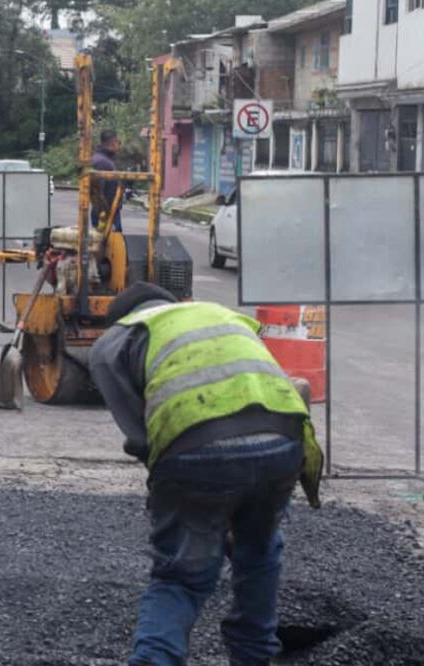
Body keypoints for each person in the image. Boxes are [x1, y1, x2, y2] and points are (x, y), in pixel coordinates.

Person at [87, 282, 324, 666]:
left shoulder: (114, 340)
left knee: (179, 578)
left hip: (196, 446)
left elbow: (143, 439)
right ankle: (254, 657)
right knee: (259, 552)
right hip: (284, 439)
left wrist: (199, 506)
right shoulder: (220, 314)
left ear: (123, 318)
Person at [91, 129, 123, 232]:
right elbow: (98, 191)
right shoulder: (103, 162)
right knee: (111, 245)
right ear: (113, 142)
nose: (119, 146)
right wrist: (103, 213)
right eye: (118, 142)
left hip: (107, 212)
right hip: (108, 213)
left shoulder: (101, 159)